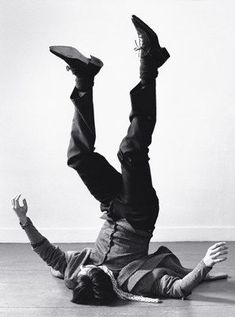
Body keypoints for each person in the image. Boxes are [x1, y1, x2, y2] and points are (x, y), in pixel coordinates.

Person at [11, 15, 228, 305]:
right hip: (139, 214)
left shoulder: (78, 274)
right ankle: (149, 65)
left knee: (78, 157)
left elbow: (48, 252)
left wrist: (24, 222)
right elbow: (176, 289)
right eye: (90, 270)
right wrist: (205, 264)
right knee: (130, 151)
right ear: (101, 276)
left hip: (112, 205)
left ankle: (84, 78)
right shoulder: (132, 281)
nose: (84, 266)